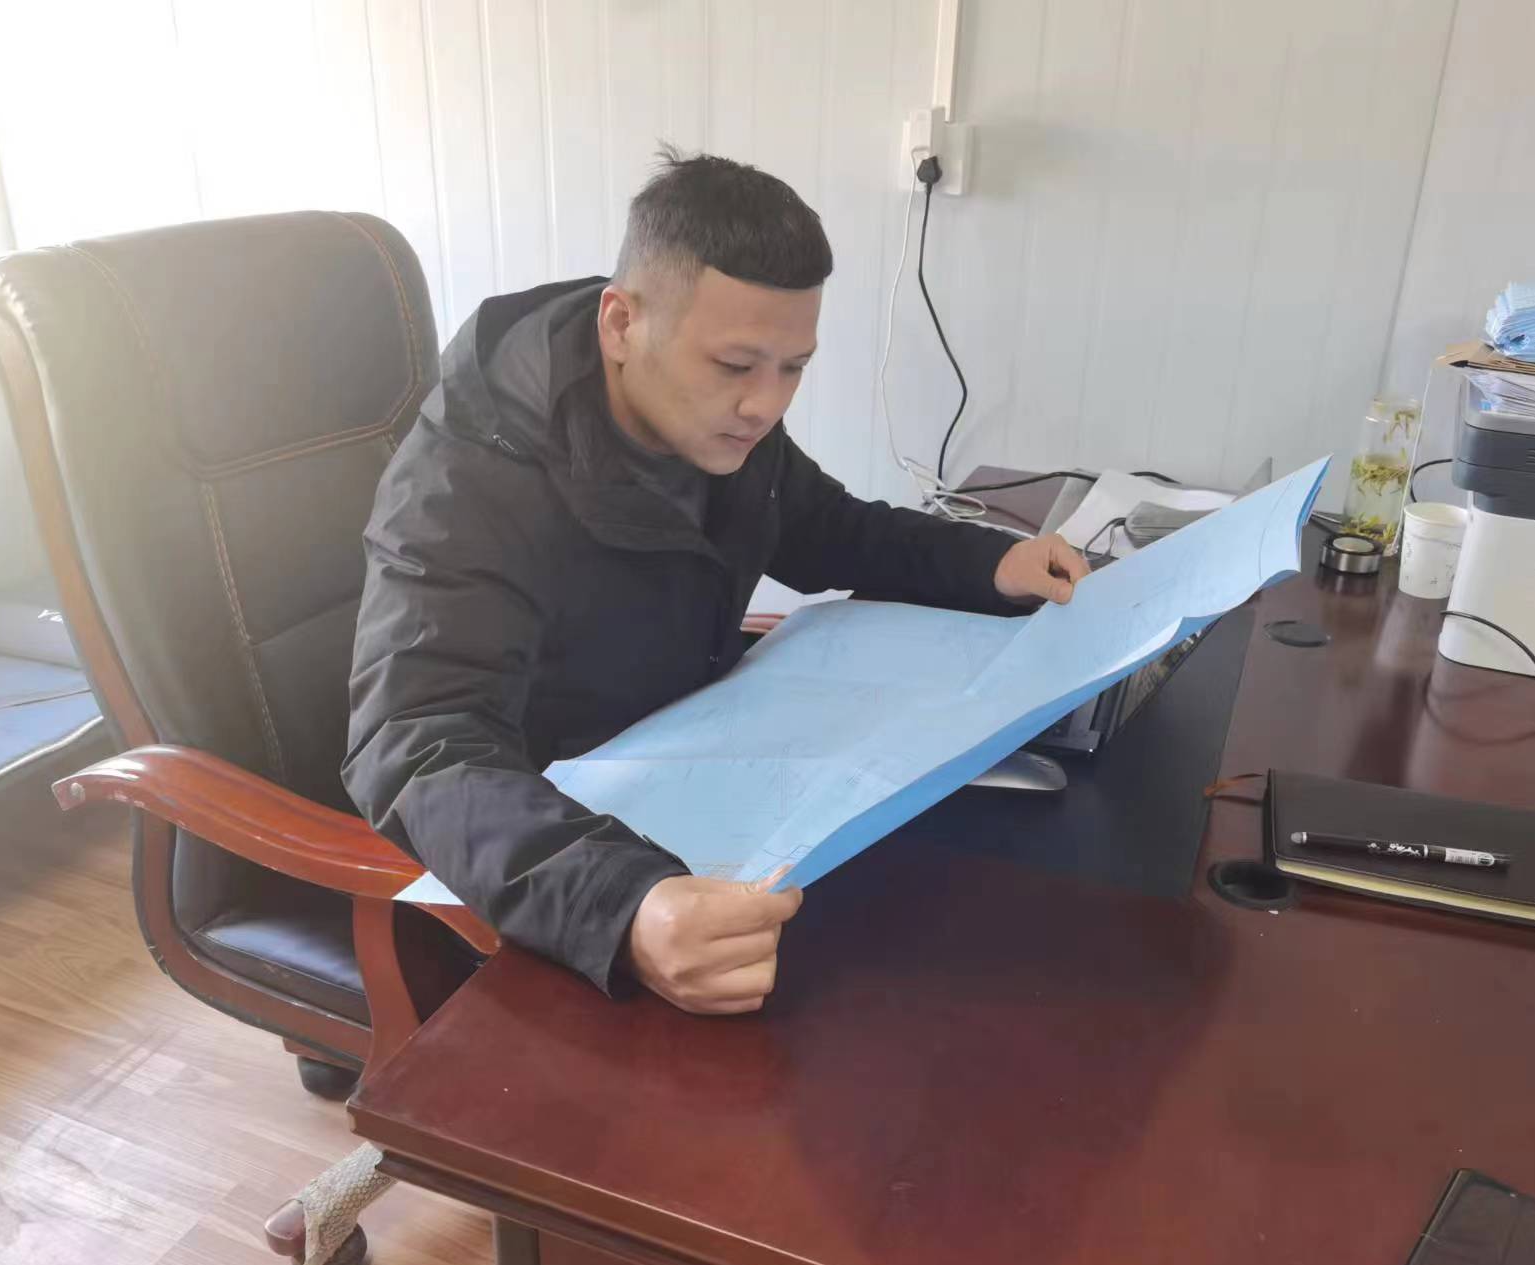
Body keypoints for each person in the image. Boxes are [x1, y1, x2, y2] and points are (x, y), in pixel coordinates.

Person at [343, 150, 1089, 1016]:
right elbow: (417, 744)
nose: (765, 405)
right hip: (545, 847)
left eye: (793, 367)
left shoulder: (711, 426)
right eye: (735, 366)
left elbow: (821, 526)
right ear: (621, 325)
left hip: (697, 772)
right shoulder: (464, 483)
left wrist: (988, 562)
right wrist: (623, 906)